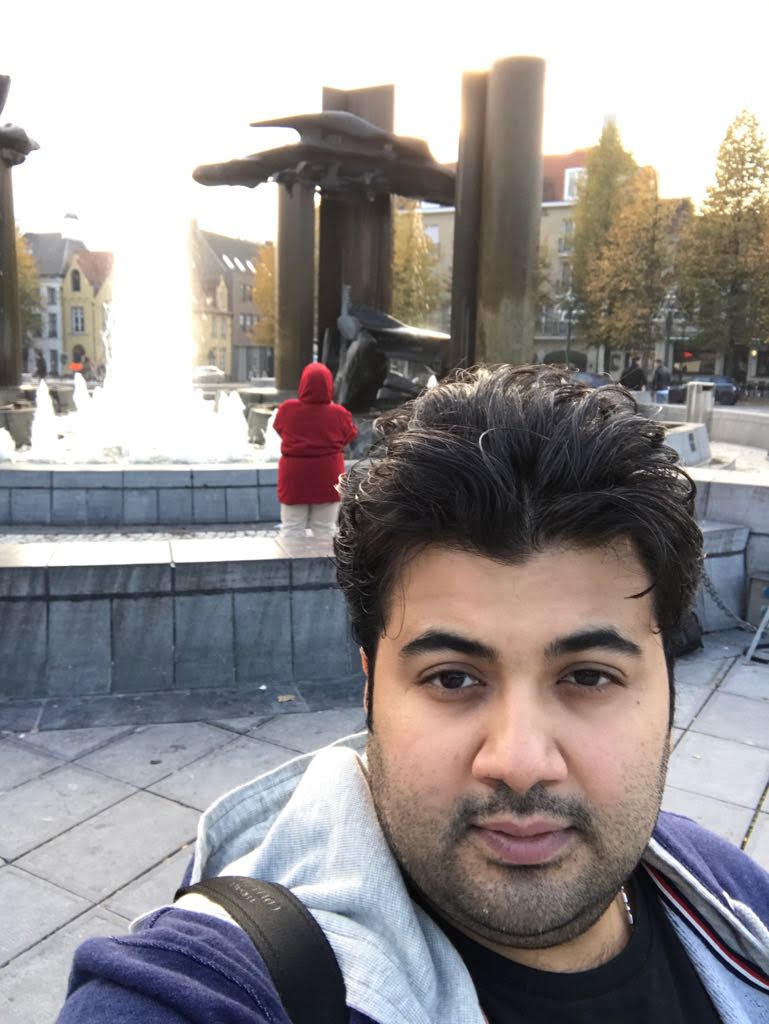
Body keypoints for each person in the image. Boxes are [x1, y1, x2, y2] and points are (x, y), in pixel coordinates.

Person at [58, 364, 769, 1023]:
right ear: (370, 689)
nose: (519, 762)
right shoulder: (210, 984)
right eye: (452, 678)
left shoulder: (731, 889)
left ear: (668, 692)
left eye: (588, 677)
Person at [273, 361, 357, 538]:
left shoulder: (287, 409)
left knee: (291, 529)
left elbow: (279, 428)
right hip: (328, 478)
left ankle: (291, 557)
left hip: (294, 479)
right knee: (325, 530)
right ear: (329, 385)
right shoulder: (340, 413)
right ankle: (323, 558)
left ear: (303, 383)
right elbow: (349, 436)